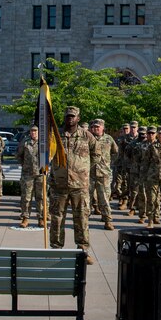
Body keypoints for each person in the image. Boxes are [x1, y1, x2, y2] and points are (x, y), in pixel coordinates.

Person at [49, 105, 97, 262]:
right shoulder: (55, 135)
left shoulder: (87, 136)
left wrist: (83, 170)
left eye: (73, 116)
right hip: (59, 184)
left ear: (78, 118)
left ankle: (83, 249)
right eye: (68, 116)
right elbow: (47, 154)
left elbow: (96, 155)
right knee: (57, 218)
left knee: (81, 217)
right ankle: (56, 249)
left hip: (79, 186)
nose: (70, 118)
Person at [89, 119, 118, 229]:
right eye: (93, 127)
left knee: (104, 198)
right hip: (89, 172)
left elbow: (115, 152)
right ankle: (84, 220)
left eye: (97, 127)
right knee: (86, 198)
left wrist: (108, 163)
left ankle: (107, 220)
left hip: (103, 173)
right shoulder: (88, 138)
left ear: (102, 128)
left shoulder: (108, 139)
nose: (95, 129)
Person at [17, 125, 44, 228]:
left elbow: (49, 155)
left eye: (35, 131)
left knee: (41, 197)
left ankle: (41, 218)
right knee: (26, 197)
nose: (33, 133)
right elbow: (19, 155)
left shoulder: (43, 142)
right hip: (27, 174)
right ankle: (25, 218)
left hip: (41, 174)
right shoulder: (25, 142)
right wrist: (24, 165)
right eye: (32, 131)